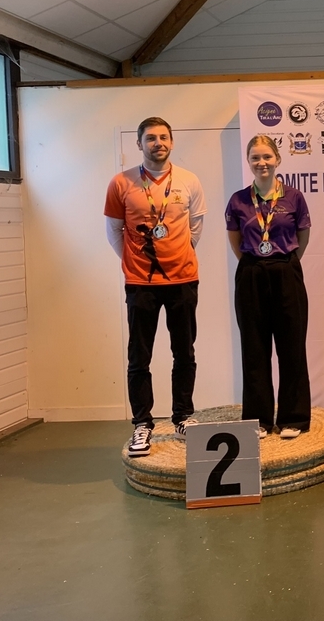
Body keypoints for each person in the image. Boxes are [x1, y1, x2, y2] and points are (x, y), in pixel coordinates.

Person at [104, 117, 206, 457]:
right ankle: (142, 424)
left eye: (163, 137)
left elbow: (196, 225)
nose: (157, 143)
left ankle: (183, 416)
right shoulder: (121, 183)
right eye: (150, 138)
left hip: (183, 280)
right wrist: (133, 262)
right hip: (140, 284)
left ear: (172, 142)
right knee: (139, 356)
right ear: (139, 144)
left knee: (184, 352)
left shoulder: (189, 180)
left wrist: (179, 254)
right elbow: (114, 230)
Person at [226, 135, 312, 439]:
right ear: (249, 162)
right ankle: (258, 419)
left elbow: (302, 236)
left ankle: (294, 418)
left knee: (292, 346)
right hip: (251, 273)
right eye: (255, 158)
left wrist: (284, 262)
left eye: (266, 157)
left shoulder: (294, 197)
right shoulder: (238, 200)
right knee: (254, 348)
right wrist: (255, 264)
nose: (261, 163)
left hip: (286, 271)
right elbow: (235, 240)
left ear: (277, 159)